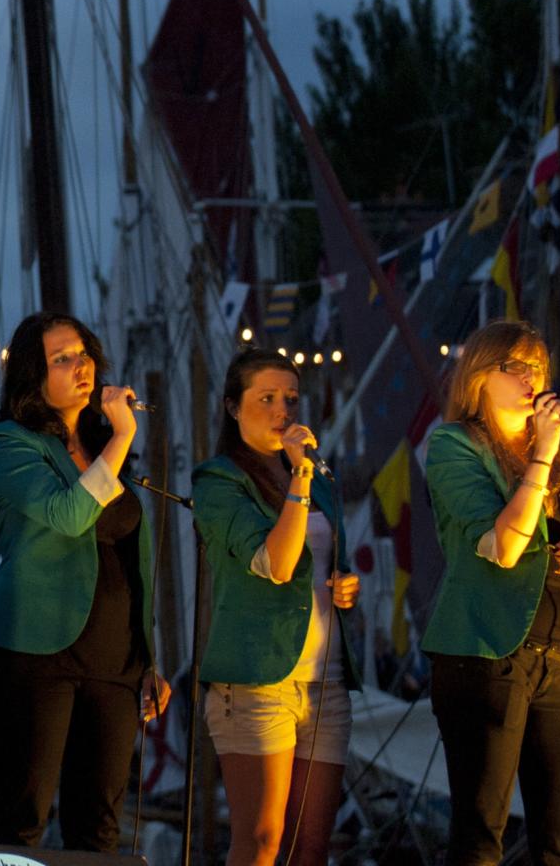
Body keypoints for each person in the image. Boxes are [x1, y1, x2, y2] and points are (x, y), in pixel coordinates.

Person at [0, 312, 169, 852]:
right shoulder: (11, 443)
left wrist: (148, 661)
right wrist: (123, 437)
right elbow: (67, 514)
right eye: (62, 358)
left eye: (83, 353)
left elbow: (131, 561)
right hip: (36, 653)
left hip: (115, 661)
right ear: (32, 376)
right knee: (22, 822)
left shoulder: (106, 446)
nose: (80, 365)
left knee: (99, 829)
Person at [423, 322, 560, 866]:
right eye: (514, 367)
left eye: (536, 368)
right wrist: (543, 452)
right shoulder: (454, 444)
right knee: (480, 837)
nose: (530, 378)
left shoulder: (558, 449)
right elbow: (503, 547)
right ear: (478, 376)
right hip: (487, 654)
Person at [193, 350, 360, 866]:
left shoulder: (319, 479)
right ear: (233, 408)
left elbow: (319, 566)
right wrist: (300, 477)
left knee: (310, 847)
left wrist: (342, 586)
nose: (282, 409)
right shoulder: (220, 481)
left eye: (290, 397)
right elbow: (278, 564)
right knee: (263, 842)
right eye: (265, 398)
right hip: (256, 680)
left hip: (324, 680)